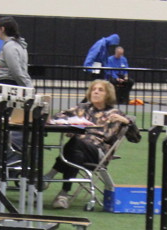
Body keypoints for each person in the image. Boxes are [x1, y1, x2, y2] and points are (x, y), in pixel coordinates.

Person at [45, 78, 141, 209]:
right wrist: (65, 123)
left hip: (98, 153)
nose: (96, 92)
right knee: (76, 153)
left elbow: (136, 138)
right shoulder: (82, 108)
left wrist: (127, 121)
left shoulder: (116, 114)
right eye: (94, 90)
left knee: (76, 142)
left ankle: (50, 174)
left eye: (100, 90)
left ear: (108, 94)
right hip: (77, 150)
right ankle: (63, 195)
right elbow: (56, 117)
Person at [0, 16, 31, 87]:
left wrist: (27, 87)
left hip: (5, 84)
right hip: (8, 83)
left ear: (2, 29)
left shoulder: (10, 46)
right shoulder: (20, 45)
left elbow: (16, 71)